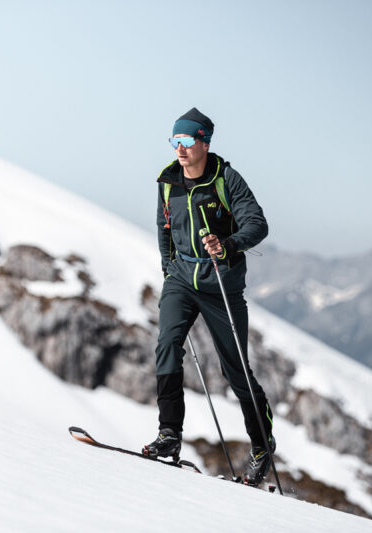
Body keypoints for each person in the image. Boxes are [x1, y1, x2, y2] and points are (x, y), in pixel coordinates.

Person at [143, 107, 275, 486]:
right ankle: (169, 435)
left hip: (222, 285)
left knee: (235, 372)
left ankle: (262, 446)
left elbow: (258, 223)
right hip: (182, 279)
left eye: (186, 141)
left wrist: (228, 245)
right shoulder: (167, 181)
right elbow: (163, 225)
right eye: (175, 141)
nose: (179, 149)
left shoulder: (226, 179)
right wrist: (169, 266)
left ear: (204, 142)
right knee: (167, 344)